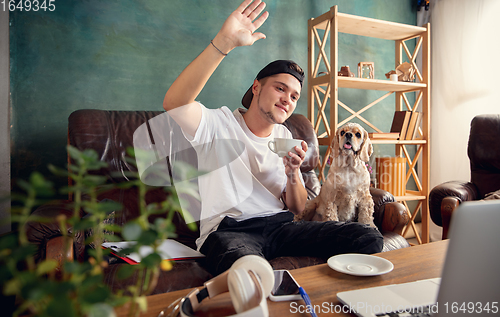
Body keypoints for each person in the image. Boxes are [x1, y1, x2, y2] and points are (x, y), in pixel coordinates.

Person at [163, 0, 383, 276]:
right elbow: (174, 102)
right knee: (250, 271)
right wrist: (224, 42)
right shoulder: (217, 124)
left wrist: (293, 173)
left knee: (368, 238)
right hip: (231, 231)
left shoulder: (284, 136)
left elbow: (298, 206)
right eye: (280, 88)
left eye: (294, 96)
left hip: (281, 227)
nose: (287, 100)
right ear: (256, 87)